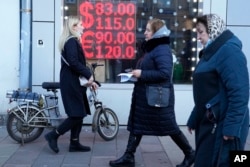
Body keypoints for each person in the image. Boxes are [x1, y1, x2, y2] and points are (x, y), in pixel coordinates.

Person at [109, 18, 195, 167]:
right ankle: (129, 156)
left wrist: (141, 74)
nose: (145, 32)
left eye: (148, 30)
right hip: (146, 96)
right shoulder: (153, 48)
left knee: (170, 127)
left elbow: (164, 74)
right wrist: (135, 75)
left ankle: (190, 153)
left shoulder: (161, 49)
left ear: (156, 32)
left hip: (157, 98)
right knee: (138, 125)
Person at [187, 14, 249, 167]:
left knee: (226, 161)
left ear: (213, 30)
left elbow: (240, 93)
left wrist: (231, 128)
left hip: (223, 124)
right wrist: (194, 117)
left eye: (201, 32)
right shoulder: (211, 53)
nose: (198, 37)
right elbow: (206, 92)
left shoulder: (229, 52)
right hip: (210, 122)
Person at [44, 15, 97, 153]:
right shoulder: (71, 42)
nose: (83, 27)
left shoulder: (71, 41)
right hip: (71, 82)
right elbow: (74, 62)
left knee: (79, 113)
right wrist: (88, 74)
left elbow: (75, 62)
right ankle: (53, 135)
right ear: (74, 27)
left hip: (73, 82)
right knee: (77, 114)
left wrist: (87, 76)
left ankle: (74, 143)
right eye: (81, 24)